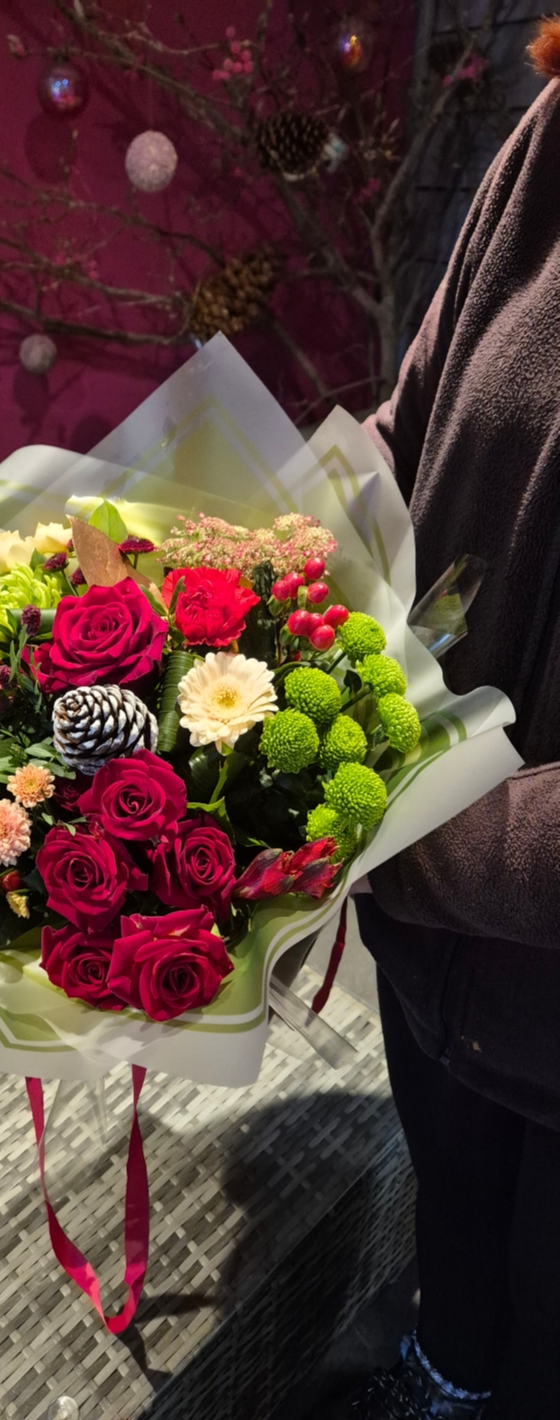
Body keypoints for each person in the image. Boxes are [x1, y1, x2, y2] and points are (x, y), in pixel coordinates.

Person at [345, 20, 560, 1420]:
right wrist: (256, 563)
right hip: (434, 972)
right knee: (457, 1286)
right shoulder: (551, 142)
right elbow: (414, 417)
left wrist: (385, 821)